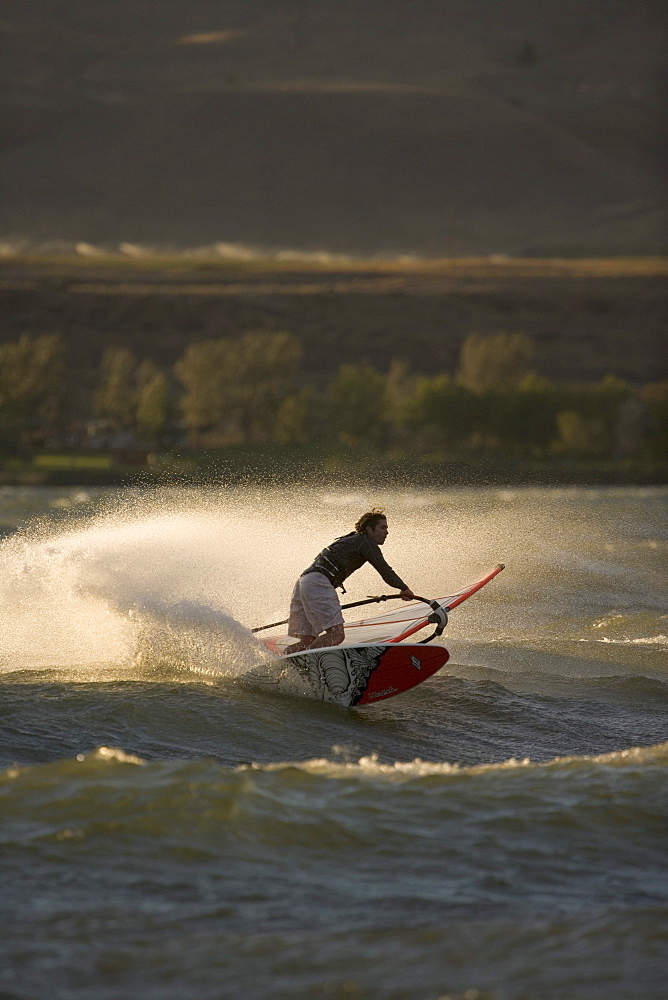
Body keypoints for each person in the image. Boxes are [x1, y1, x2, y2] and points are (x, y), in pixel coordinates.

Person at [286, 509, 415, 653]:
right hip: (317, 582)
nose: (387, 532)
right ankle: (306, 665)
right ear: (369, 529)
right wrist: (404, 588)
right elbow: (385, 570)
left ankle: (283, 663)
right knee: (336, 635)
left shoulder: (352, 539)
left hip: (304, 582)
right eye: (382, 527)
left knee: (307, 640)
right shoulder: (366, 542)